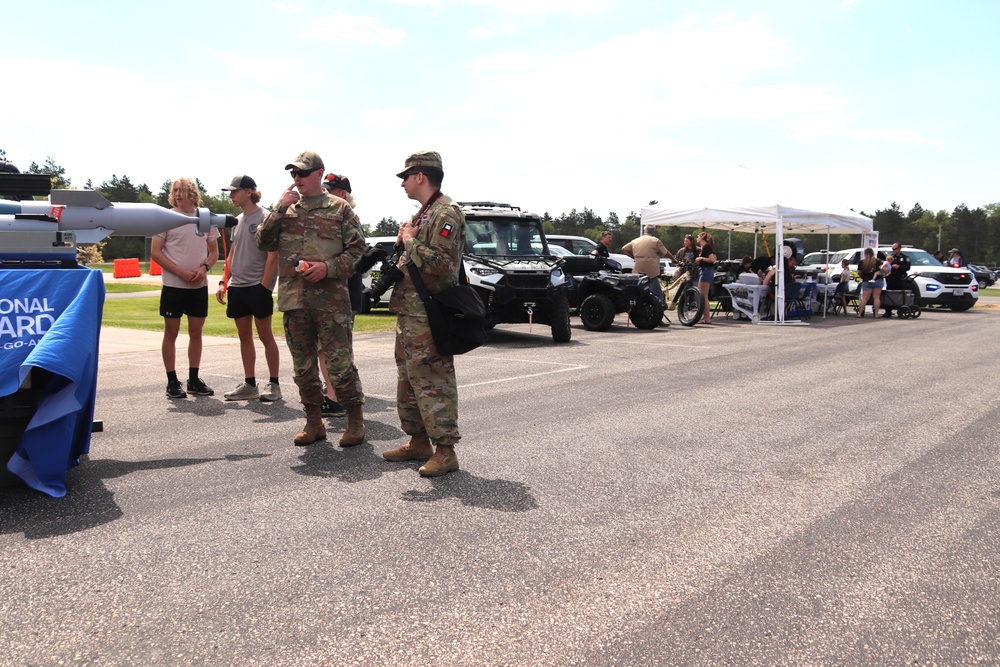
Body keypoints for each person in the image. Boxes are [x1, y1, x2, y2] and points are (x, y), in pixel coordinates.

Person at [254, 151, 367, 447]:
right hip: (295, 300)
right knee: (303, 367)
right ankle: (314, 422)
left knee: (340, 365)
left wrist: (327, 268)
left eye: (303, 173)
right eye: (294, 174)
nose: (297, 179)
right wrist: (278, 208)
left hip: (331, 301)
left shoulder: (339, 208)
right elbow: (262, 242)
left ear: (319, 174)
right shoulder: (286, 210)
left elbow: (358, 252)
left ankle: (355, 421)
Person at [381, 150, 466, 477]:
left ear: (420, 176)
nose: (402, 183)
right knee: (408, 378)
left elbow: (443, 264)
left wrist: (412, 241)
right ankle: (418, 441)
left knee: (433, 379)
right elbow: (403, 265)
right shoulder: (423, 214)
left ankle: (446, 451)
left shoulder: (446, 213)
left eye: (405, 176)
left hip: (429, 314)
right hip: (409, 313)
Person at [151, 177, 220, 399]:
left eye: (182, 190)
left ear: (192, 192)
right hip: (173, 285)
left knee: (196, 333)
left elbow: (214, 252)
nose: (178, 194)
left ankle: (194, 379)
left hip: (198, 286)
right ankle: (172, 381)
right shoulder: (165, 218)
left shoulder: (204, 217)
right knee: (171, 332)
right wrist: (180, 272)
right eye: (175, 190)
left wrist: (204, 269)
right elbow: (155, 252)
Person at [216, 175, 281, 402]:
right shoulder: (237, 220)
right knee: (244, 336)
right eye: (230, 192)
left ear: (249, 191)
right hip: (238, 287)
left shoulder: (266, 217)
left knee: (265, 335)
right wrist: (225, 281)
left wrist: (264, 286)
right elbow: (232, 254)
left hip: (257, 286)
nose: (231, 195)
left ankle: (274, 384)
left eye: (235, 191)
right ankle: (250, 384)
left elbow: (273, 255)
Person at [311, 172, 363, 419]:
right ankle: (333, 392)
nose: (325, 193)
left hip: (343, 292)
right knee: (324, 348)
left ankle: (337, 397)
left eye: (329, 189)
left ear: (342, 194)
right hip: (326, 291)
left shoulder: (348, 217)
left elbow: (353, 256)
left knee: (337, 348)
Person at [622, 225, 673, 305]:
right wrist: (674, 259)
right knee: (658, 293)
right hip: (651, 273)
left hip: (638, 272)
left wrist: (634, 257)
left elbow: (624, 249)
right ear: (653, 232)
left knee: (638, 292)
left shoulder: (635, 241)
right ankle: (659, 309)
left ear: (644, 231)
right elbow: (666, 253)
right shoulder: (656, 241)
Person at [693, 231, 717, 324]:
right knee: (703, 295)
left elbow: (712, 259)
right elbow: (715, 256)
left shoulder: (706, 247)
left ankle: (706, 318)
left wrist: (701, 258)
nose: (697, 238)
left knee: (703, 296)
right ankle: (705, 317)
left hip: (706, 271)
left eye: (698, 236)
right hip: (706, 270)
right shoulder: (706, 247)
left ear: (702, 238)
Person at [883, 242, 911, 318]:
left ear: (899, 248)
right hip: (891, 278)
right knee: (889, 294)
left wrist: (899, 267)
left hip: (900, 279)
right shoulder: (891, 257)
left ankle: (900, 310)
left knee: (900, 295)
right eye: (892, 249)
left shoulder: (905, 257)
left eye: (895, 249)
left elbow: (907, 267)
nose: (893, 250)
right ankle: (888, 311)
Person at [856, 247, 883, 318]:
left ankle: (859, 313)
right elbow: (882, 269)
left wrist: (863, 277)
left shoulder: (862, 262)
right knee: (876, 298)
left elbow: (859, 272)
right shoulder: (878, 261)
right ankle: (876, 314)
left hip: (866, 281)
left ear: (865, 254)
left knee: (864, 298)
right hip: (878, 280)